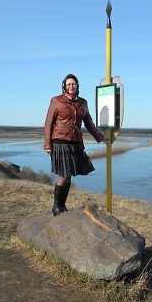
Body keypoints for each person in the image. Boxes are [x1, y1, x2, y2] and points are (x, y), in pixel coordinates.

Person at [44, 73, 106, 216]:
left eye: (74, 84)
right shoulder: (56, 101)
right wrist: (47, 145)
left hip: (75, 141)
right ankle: (56, 207)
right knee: (64, 174)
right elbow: (48, 124)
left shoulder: (83, 103)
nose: (71, 86)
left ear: (77, 86)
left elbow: (89, 123)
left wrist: (99, 137)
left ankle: (62, 206)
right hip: (59, 141)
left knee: (69, 174)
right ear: (64, 87)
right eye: (69, 84)